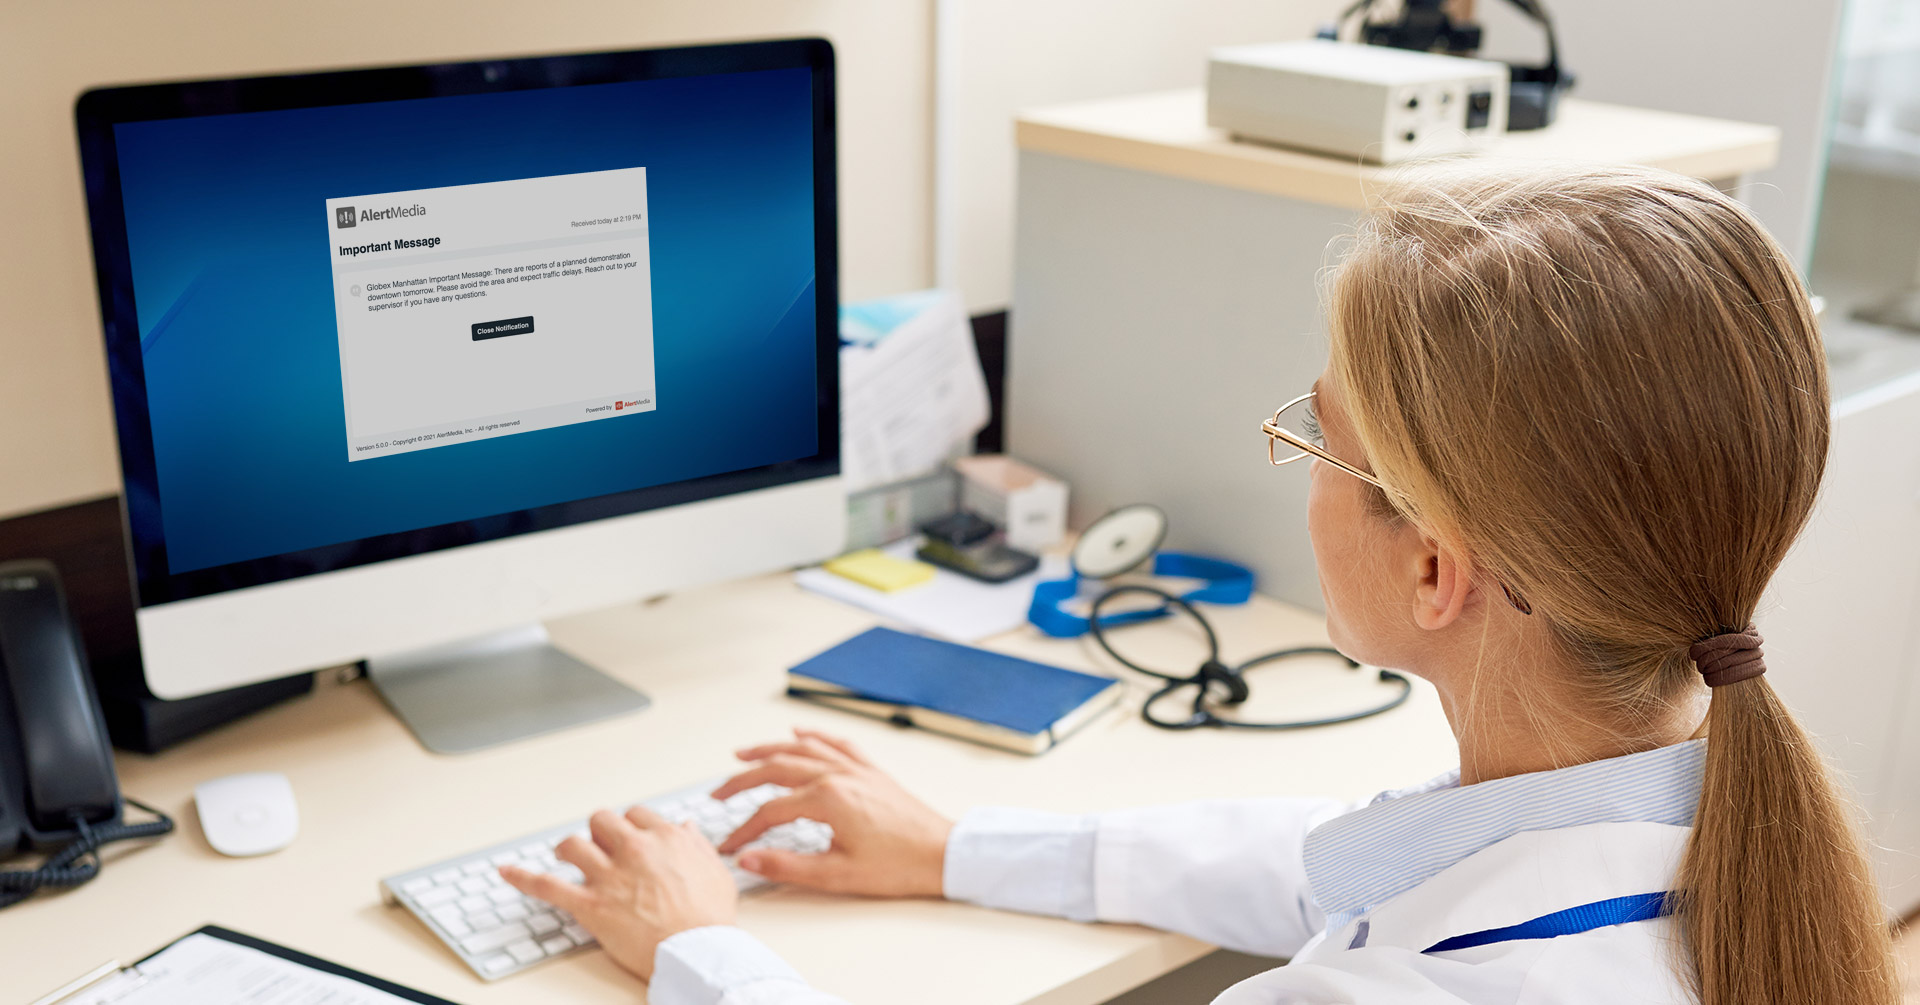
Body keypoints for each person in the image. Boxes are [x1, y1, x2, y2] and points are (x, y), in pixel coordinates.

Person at [500, 164, 1902, 1004]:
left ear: (1432, 566)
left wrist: (698, 946)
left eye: (1315, 432)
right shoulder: (1716, 828)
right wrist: (958, 848)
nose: (1293, 457)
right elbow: (1333, 862)